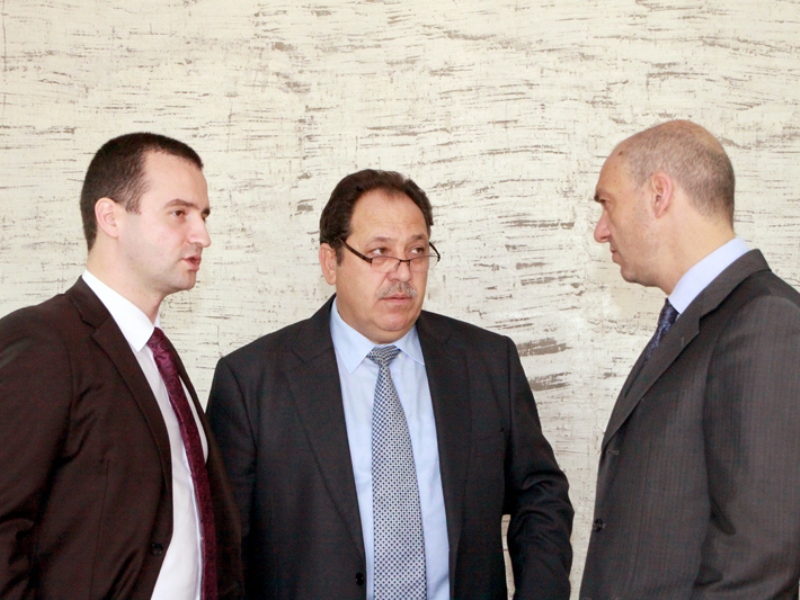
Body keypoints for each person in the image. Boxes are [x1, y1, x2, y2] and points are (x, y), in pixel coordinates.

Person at [207, 169, 573, 600]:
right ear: (330, 261)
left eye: (416, 252)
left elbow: (540, 494)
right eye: (379, 253)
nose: (403, 273)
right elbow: (222, 548)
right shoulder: (252, 381)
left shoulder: (487, 363)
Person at [0, 133, 242, 599]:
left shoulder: (159, 357)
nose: (202, 236)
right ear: (110, 217)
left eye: (204, 215)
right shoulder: (44, 342)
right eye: (179, 213)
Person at [581, 120, 800, 599]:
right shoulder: (694, 319)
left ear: (659, 195)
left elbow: (758, 560)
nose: (600, 230)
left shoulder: (766, 321)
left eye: (607, 203)